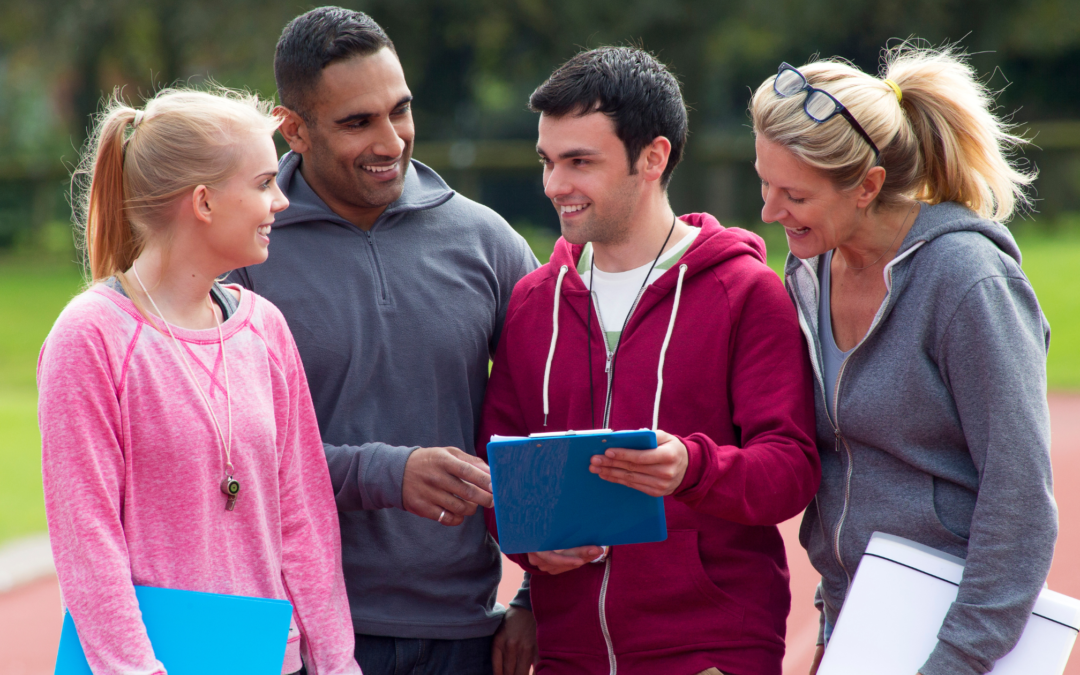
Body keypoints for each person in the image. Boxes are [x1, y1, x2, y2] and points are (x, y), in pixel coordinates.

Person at [477, 46, 820, 675]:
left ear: (653, 158)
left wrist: (690, 465)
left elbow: (791, 470)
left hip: (712, 652)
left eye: (580, 161)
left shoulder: (744, 291)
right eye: (549, 162)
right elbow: (499, 466)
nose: (556, 185)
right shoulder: (532, 304)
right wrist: (530, 545)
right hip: (568, 654)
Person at [225, 7, 540, 675]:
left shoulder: (487, 241)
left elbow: (553, 417)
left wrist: (535, 596)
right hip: (300, 632)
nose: (392, 140)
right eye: (357, 122)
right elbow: (229, 455)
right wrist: (387, 474)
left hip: (465, 633)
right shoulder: (242, 251)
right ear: (294, 130)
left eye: (399, 110)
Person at [750, 43, 1057, 675]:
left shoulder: (967, 281)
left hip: (959, 638)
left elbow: (1019, 494)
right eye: (764, 183)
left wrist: (958, 659)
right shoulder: (809, 268)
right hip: (860, 622)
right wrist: (836, 624)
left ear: (867, 186)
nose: (769, 212)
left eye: (794, 195)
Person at [38, 88, 360, 674]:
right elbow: (88, 542)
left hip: (268, 661)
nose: (281, 202)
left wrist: (338, 665)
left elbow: (303, 520)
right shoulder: (90, 337)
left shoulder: (265, 328)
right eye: (263, 183)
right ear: (204, 202)